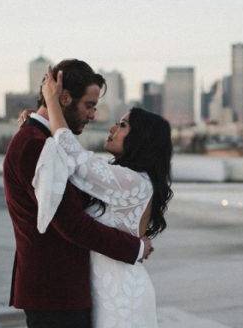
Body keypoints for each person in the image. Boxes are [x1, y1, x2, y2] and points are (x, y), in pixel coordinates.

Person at [4, 59, 153, 328]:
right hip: (55, 293)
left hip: (61, 293)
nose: (93, 114)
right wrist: (135, 247)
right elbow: (71, 223)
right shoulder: (36, 145)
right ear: (64, 98)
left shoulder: (41, 140)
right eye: (89, 105)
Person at [34, 67, 173, 328]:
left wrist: (50, 101)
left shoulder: (134, 182)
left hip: (122, 296)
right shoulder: (120, 177)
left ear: (140, 139)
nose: (112, 127)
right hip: (103, 294)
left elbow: (76, 159)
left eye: (122, 125)